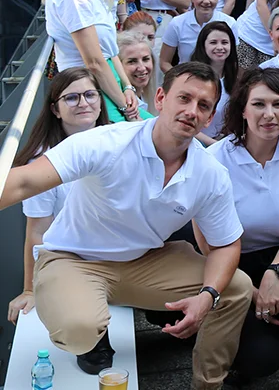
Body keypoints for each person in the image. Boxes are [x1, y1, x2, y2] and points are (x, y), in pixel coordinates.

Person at [0, 62, 253, 389]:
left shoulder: (210, 173)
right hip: (74, 260)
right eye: (184, 99)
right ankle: (86, 312)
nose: (192, 111)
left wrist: (207, 294)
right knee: (79, 329)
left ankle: (207, 385)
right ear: (161, 98)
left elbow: (226, 244)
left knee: (236, 288)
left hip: (144, 262)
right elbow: (21, 183)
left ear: (209, 117)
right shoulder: (106, 143)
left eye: (203, 106)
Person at [207, 68, 279, 389]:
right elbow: (208, 244)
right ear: (242, 110)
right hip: (233, 258)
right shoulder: (215, 160)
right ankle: (240, 353)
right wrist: (249, 288)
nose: (269, 115)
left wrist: (275, 272)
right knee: (260, 359)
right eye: (259, 104)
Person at [6, 68, 109, 325]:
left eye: (90, 95)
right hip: (73, 261)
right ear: (55, 109)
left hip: (118, 251)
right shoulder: (42, 160)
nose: (83, 103)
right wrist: (30, 289)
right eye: (72, 98)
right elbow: (37, 232)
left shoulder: (118, 140)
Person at [160, 0, 238, 70]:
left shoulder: (230, 23)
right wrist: (179, 81)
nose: (206, 1)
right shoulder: (177, 23)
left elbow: (233, 62)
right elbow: (164, 62)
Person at [189, 20, 238, 142]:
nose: (220, 47)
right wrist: (213, 144)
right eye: (213, 42)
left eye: (225, 42)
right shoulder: (191, 79)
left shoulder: (235, 79)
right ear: (203, 45)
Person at [117, 31, 158, 115]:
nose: (142, 68)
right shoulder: (118, 104)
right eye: (132, 61)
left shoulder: (154, 96)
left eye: (145, 59)